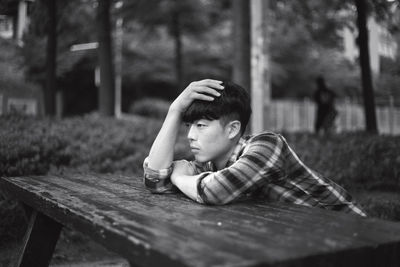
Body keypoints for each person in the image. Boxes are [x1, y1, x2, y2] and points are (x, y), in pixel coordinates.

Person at [143, 79, 366, 217]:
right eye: (189, 125)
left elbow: (215, 191)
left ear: (232, 130)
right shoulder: (208, 166)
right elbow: (155, 180)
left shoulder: (267, 145)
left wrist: (180, 178)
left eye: (200, 126)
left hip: (361, 242)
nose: (191, 135)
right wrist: (174, 110)